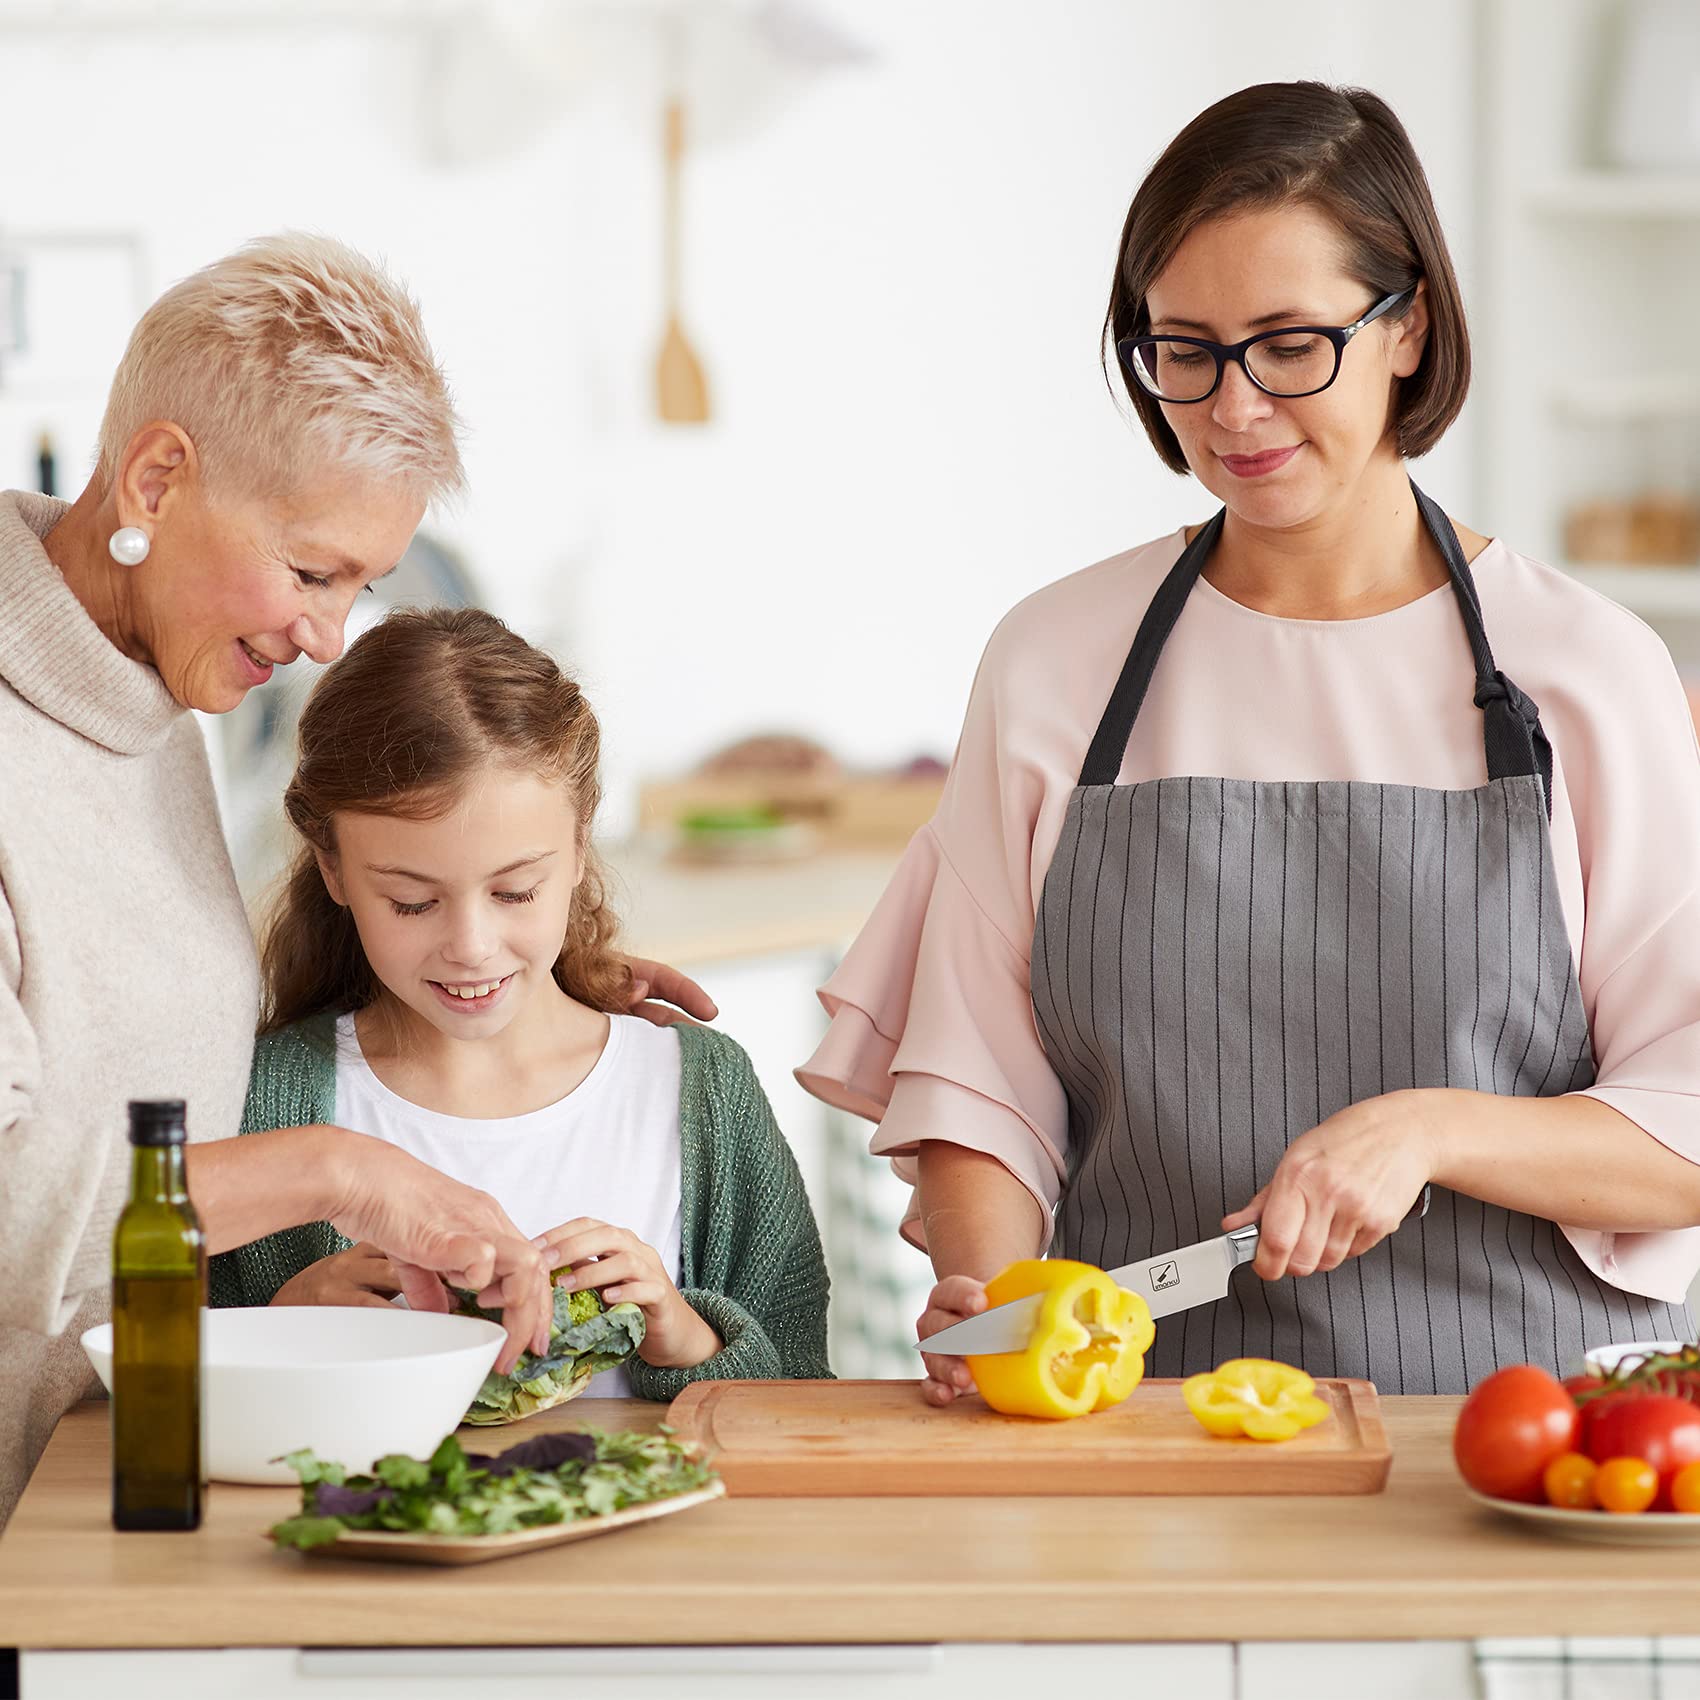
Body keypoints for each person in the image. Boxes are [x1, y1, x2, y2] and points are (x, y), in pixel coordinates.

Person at [797, 81, 1700, 1400]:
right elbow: (981, 1080)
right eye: (1185, 351)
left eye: (1289, 345)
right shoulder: (1056, 659)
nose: (1232, 410)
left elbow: (1684, 1123)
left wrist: (1429, 1130)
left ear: (1409, 329)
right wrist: (995, 1310)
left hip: (1510, 1448)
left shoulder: (1587, 672)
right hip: (1135, 1430)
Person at [0, 233, 711, 1524]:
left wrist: (540, 978)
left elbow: (137, 1058)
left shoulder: (151, 698)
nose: (328, 634)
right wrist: (336, 1171)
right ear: (158, 478)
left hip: (125, 1508)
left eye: (362, 585)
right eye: (312, 571)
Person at [210, 607, 831, 1395]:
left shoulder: (697, 1091)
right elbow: (167, 1381)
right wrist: (274, 1329)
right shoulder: (266, 1102)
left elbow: (806, 1390)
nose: (470, 944)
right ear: (333, 870)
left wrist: (693, 1340)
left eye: (515, 891)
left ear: (579, 846)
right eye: (410, 902)